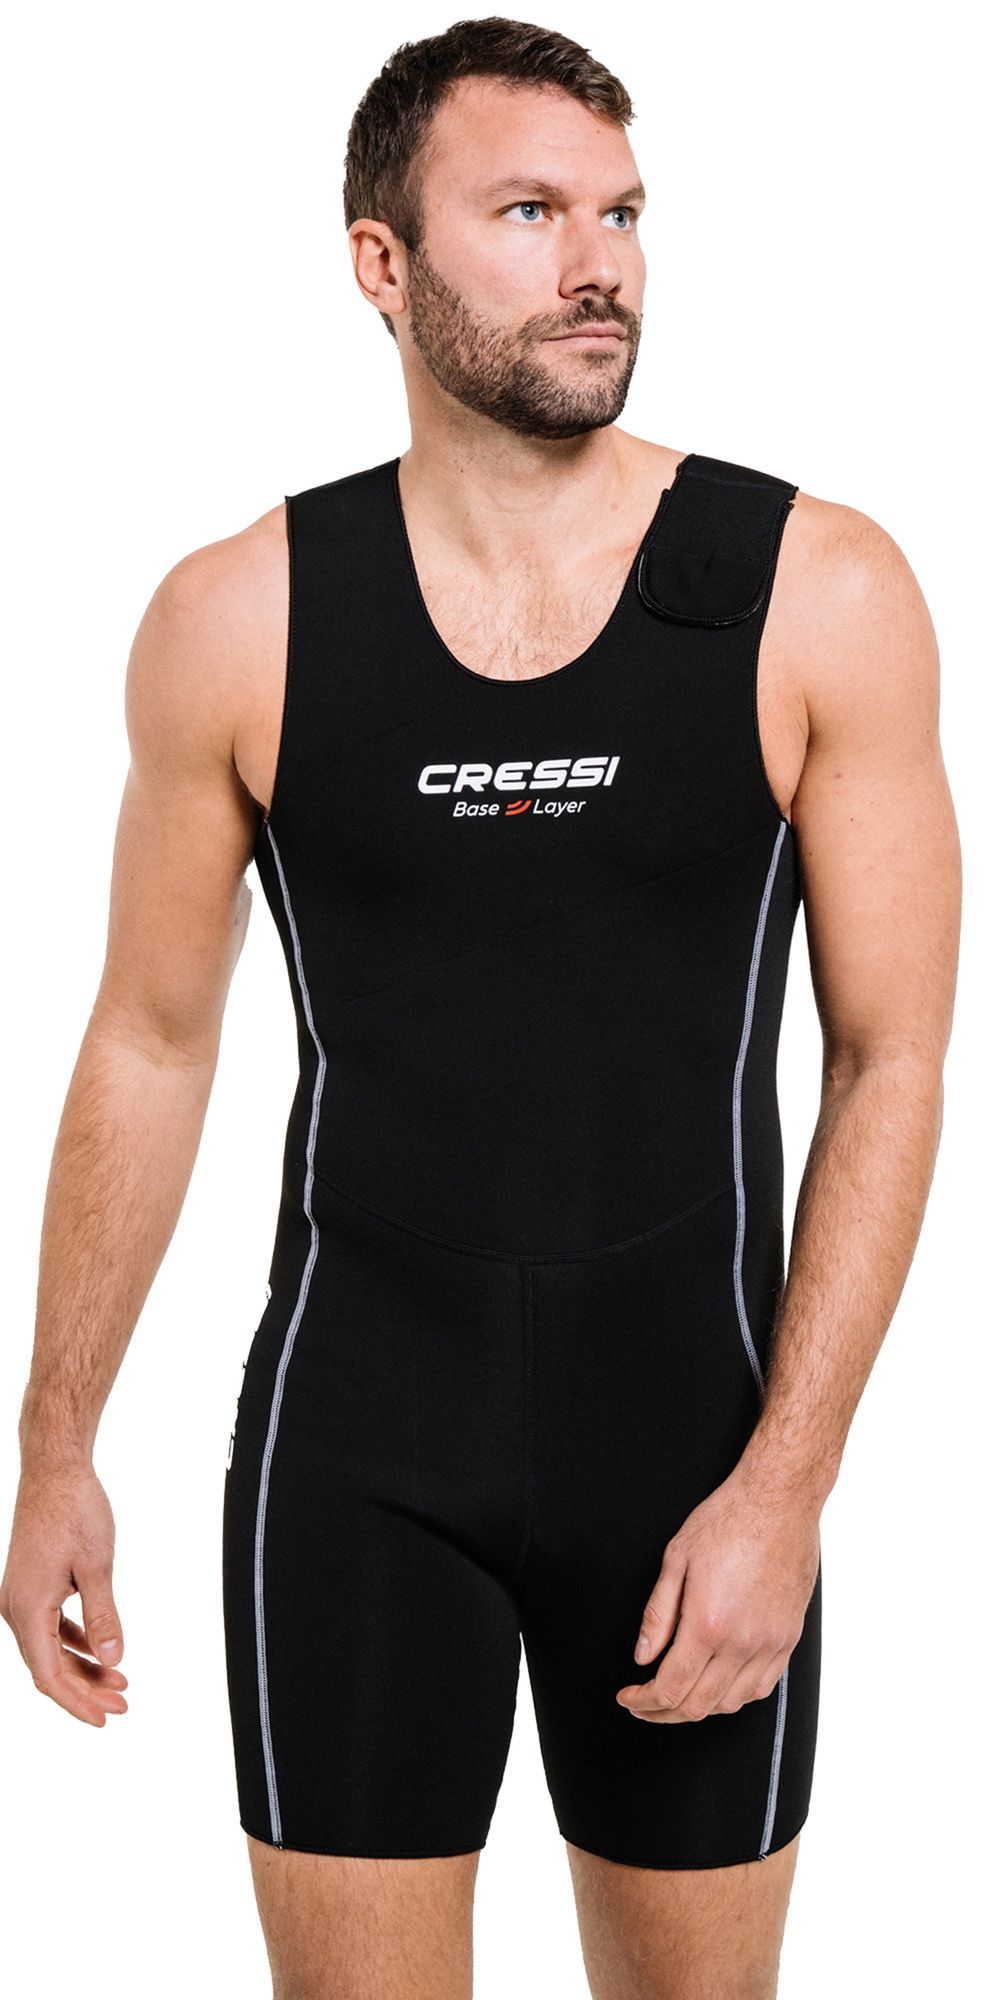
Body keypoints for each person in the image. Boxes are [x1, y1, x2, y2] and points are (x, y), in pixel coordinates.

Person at [1, 17, 961, 2000]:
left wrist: (785, 1487)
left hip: (692, 1453)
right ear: (381, 262)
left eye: (621, 212)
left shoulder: (814, 588)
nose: (597, 263)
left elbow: (891, 1057)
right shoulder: (238, 617)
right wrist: (57, 1441)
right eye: (527, 213)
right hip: (356, 1448)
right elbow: (150, 1039)